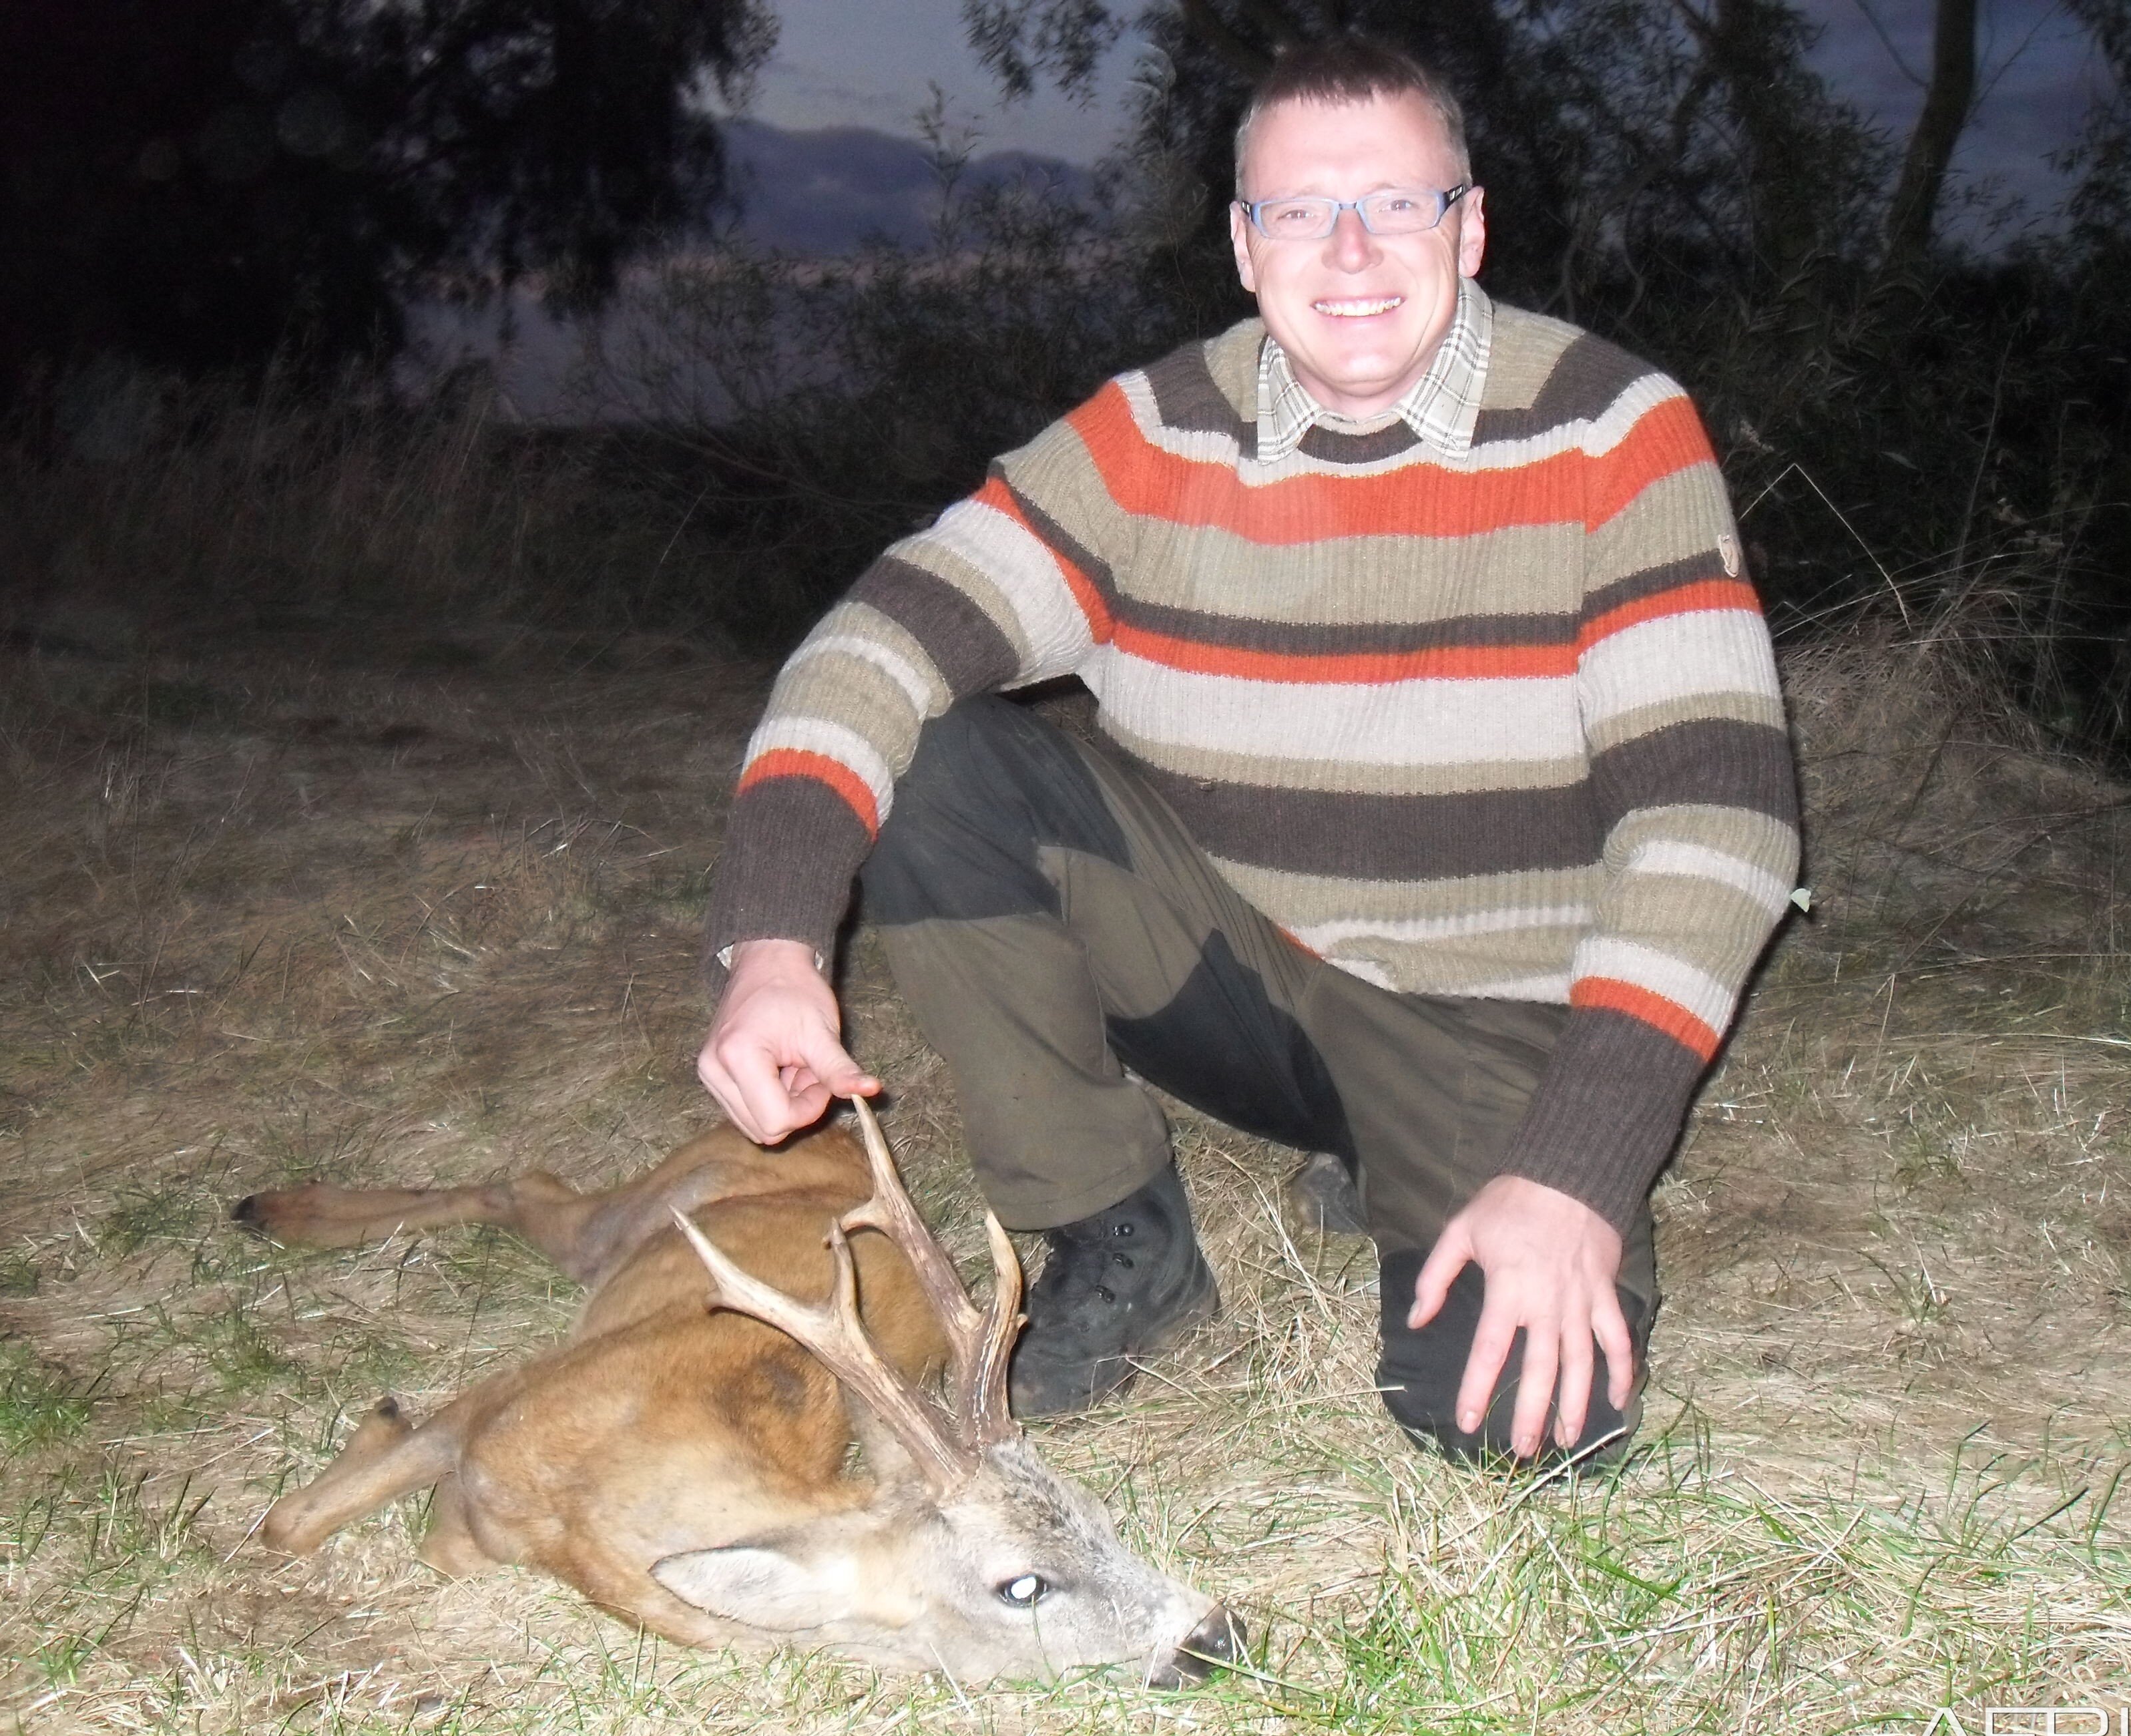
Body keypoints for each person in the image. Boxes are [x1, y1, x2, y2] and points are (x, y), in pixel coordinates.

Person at [696, 37, 1799, 1472]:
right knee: (935, 758)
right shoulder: (1153, 434)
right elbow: (877, 639)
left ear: (1470, 226)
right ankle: (1117, 1232)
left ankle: (1402, 1159)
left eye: (1399, 204)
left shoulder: (1612, 432)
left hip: (1491, 1008)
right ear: (1241, 241)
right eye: (1297, 211)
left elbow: (1717, 825)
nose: (1349, 251)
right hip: (1233, 960)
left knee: (1523, 1438)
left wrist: (1575, 1173)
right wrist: (772, 944)